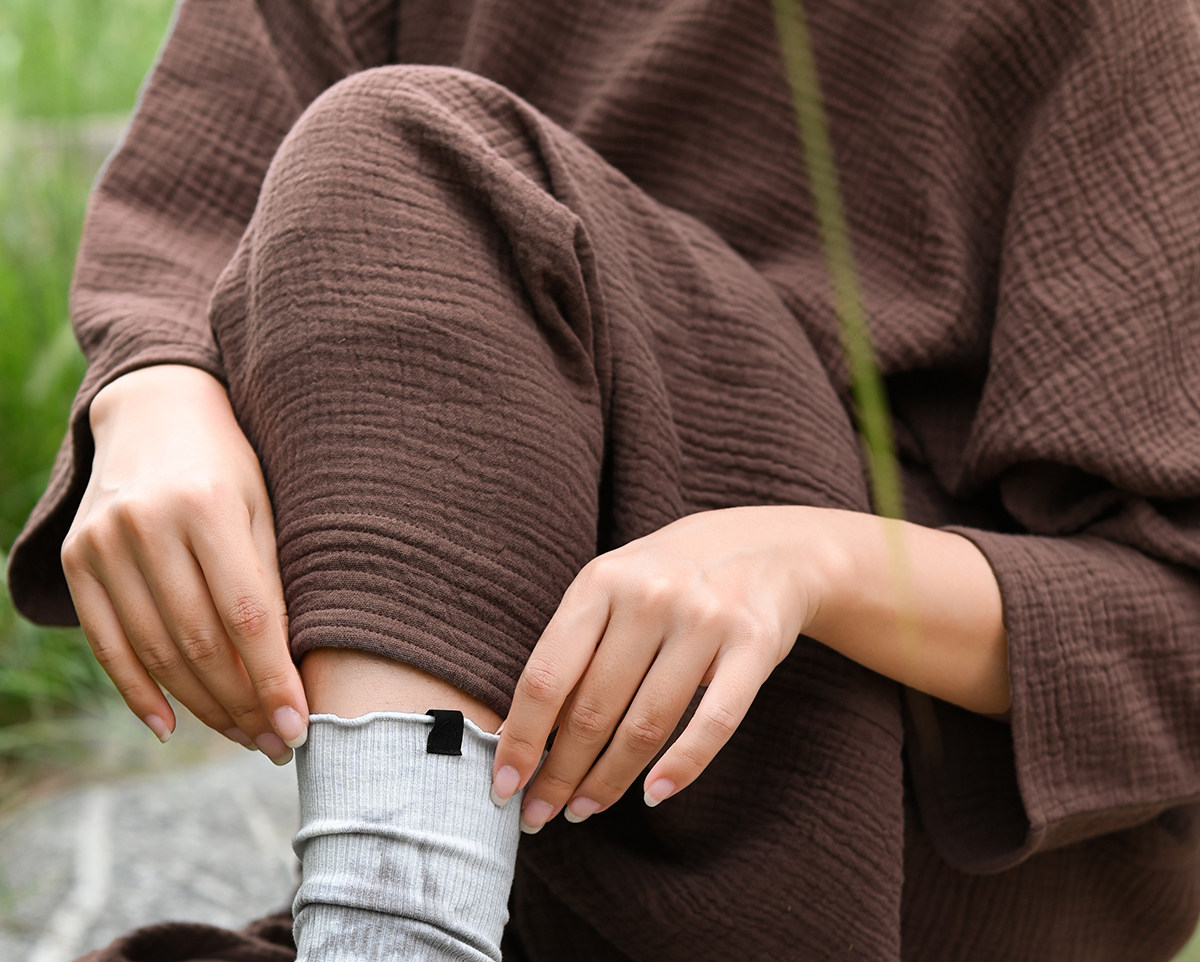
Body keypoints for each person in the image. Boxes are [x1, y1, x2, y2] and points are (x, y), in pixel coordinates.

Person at [8, 0, 1200, 959]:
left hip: (879, 845)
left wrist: (808, 564)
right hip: (543, 850)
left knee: (396, 151)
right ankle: (392, 907)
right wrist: (154, 392)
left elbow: (1175, 622)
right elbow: (190, 215)